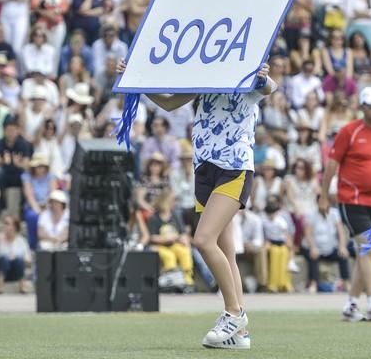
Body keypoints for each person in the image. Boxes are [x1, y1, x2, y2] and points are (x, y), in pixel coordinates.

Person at [116, 58, 275, 350]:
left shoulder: (246, 75)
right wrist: (134, 78)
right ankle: (239, 335)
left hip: (233, 166)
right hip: (204, 169)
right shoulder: (207, 78)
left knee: (203, 239)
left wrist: (262, 76)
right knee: (226, 251)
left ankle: (234, 314)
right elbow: (168, 103)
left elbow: (269, 87)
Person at [320, 86, 371, 322]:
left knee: (364, 253)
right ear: (363, 107)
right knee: (368, 249)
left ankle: (351, 304)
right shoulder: (350, 131)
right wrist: (324, 195)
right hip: (351, 199)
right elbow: (332, 165)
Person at [147, 189, 194, 291]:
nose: (174, 203)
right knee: (169, 256)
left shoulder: (175, 216)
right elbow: (152, 237)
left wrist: (184, 241)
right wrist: (167, 239)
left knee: (184, 252)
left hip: (174, 244)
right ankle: (170, 282)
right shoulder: (154, 218)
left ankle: (187, 281)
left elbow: (182, 234)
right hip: (160, 246)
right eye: (172, 200)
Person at [0, 214, 29, 294]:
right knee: (4, 259)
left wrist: (15, 257)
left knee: (19, 260)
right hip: (0, 270)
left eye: (7, 223)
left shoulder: (21, 241)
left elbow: (28, 260)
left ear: (14, 227)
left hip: (16, 270)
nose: (4, 226)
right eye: (4, 223)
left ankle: (22, 286)